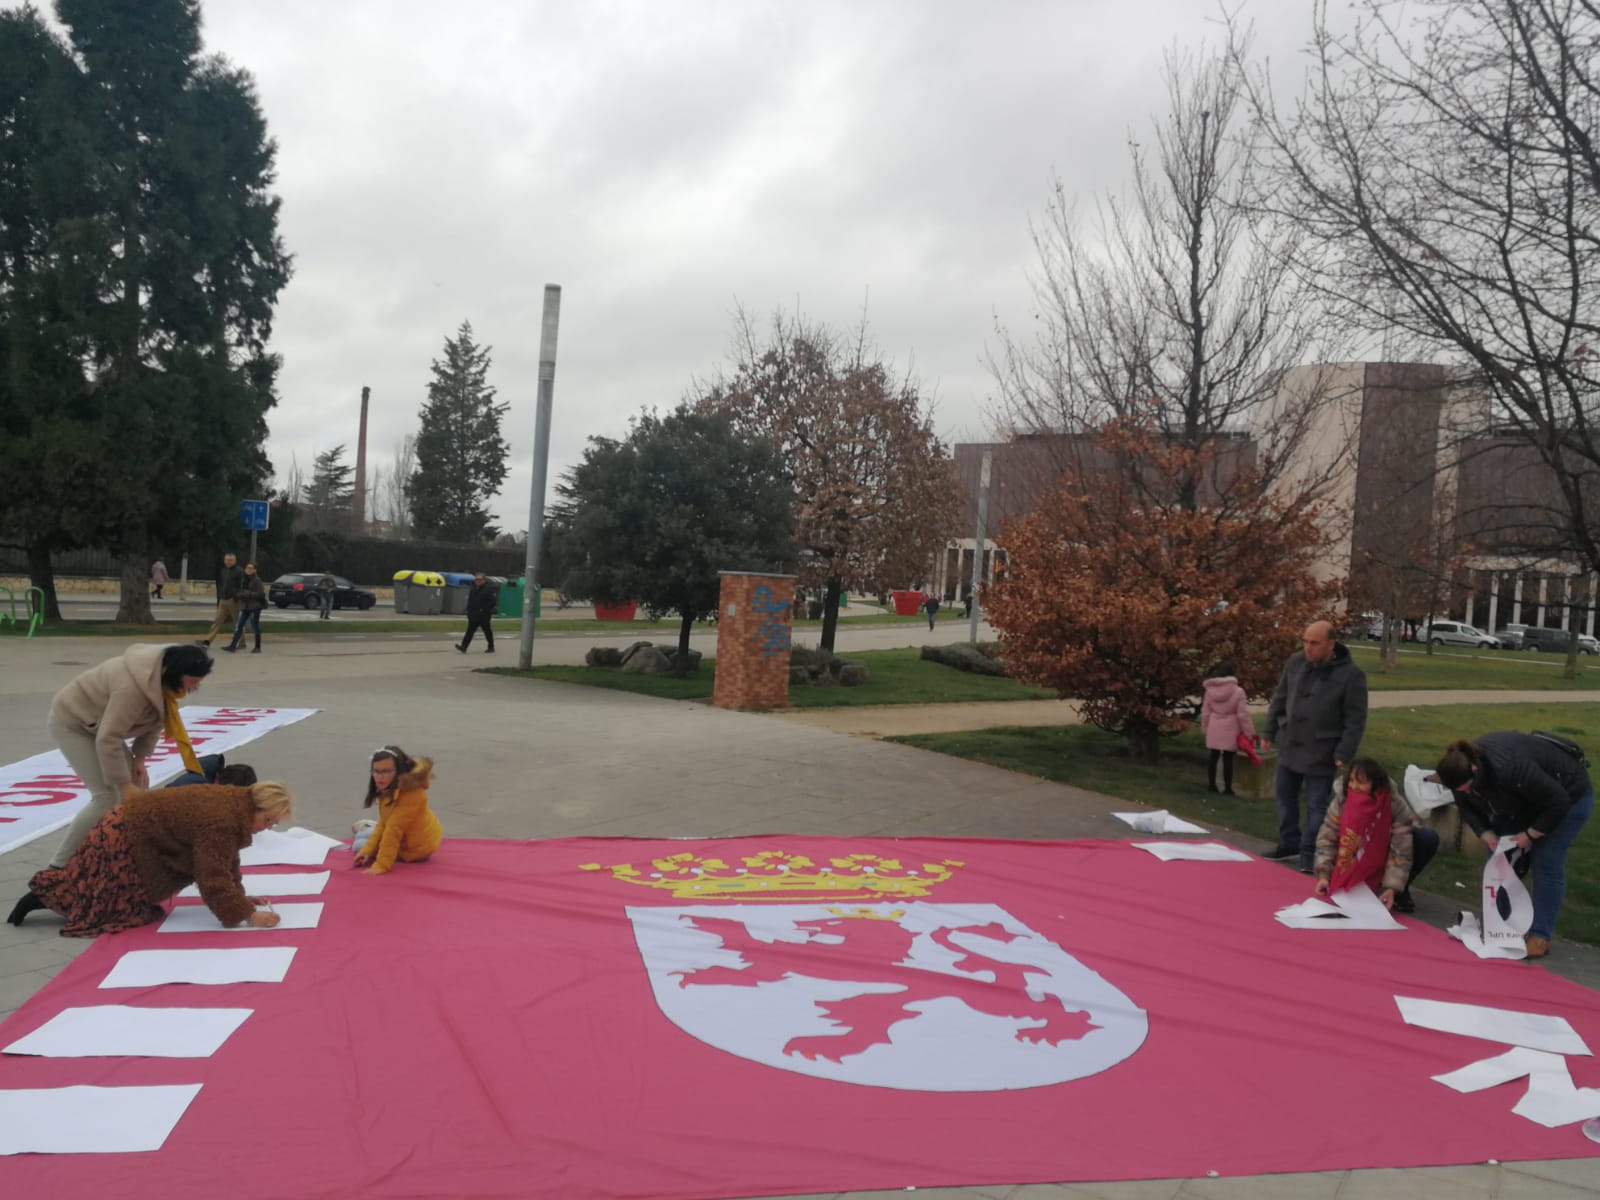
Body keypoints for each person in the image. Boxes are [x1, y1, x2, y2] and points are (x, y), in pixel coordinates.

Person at [8, 780, 293, 936]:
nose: (267, 827)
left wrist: (241, 899)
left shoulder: (235, 804)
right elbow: (212, 874)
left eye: (274, 823)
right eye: (268, 820)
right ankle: (42, 895)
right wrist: (245, 914)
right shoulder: (223, 820)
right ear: (256, 806)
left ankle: (49, 892)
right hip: (125, 837)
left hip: (130, 828)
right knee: (108, 907)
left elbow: (225, 859)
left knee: (107, 895)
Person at [43, 643, 213, 869]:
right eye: (192, 680)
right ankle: (58, 867)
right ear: (174, 673)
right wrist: (124, 786)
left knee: (138, 787)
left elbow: (157, 719)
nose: (195, 686)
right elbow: (109, 738)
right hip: (73, 723)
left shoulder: (162, 680)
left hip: (98, 724)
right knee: (107, 796)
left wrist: (139, 759)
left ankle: (117, 853)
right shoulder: (132, 689)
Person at [1436, 732, 1593, 959]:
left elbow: (1558, 801)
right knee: (1498, 857)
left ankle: (1541, 935)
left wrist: (1530, 834)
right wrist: (1486, 833)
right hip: (1519, 802)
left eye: (1467, 787)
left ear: (1474, 771)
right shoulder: (1456, 772)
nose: (1465, 792)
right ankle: (1501, 923)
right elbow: (1466, 806)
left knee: (1546, 860)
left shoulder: (1510, 768)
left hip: (1569, 797)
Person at [1261, 620, 1369, 873]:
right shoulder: (1295, 663)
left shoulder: (1352, 675)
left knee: (1316, 805)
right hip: (1290, 742)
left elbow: (1355, 719)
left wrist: (1344, 752)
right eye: (1305, 642)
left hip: (1322, 750)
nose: (1308, 648)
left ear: (1331, 644)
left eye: (1315, 643)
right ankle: (1289, 842)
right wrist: (1269, 731)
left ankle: (1310, 851)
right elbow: (1280, 698)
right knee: (1284, 796)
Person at [1312, 757, 1437, 914]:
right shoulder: (1342, 800)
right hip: (1348, 859)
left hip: (1381, 858)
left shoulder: (1394, 804)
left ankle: (1397, 892)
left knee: (1425, 838)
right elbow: (1327, 838)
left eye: (1361, 782)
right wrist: (1324, 874)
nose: (1354, 786)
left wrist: (1392, 887)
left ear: (1375, 783)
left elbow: (1400, 849)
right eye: (1351, 781)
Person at [353, 746, 443, 875]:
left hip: (417, 849)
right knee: (362, 839)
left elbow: (393, 832)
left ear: (398, 771)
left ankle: (367, 828)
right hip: (403, 834)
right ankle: (367, 828)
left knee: (358, 844)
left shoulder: (412, 795)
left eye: (386, 771)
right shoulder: (390, 787)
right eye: (376, 772)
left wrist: (380, 866)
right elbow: (385, 822)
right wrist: (367, 851)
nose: (379, 777)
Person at [1200, 660, 1254, 796]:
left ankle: (1212, 785)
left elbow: (1205, 712)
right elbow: (1243, 715)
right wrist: (1249, 732)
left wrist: (1205, 728)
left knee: (1213, 756)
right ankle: (1228, 788)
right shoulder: (1238, 691)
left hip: (1214, 724)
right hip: (1230, 726)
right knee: (1228, 758)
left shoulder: (1209, 691)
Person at [223, 561, 267, 654]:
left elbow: (261, 594)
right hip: (245, 606)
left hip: (255, 607)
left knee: (255, 626)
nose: (249, 570)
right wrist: (239, 595)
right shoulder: (244, 579)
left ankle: (257, 647)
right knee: (239, 626)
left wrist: (249, 594)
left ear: (255, 570)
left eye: (251, 568)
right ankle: (233, 646)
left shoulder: (257, 580)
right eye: (247, 568)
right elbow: (241, 591)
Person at [201, 552, 244, 646]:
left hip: (233, 600)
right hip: (223, 599)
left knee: (237, 622)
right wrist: (220, 596)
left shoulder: (239, 571)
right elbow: (221, 585)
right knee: (217, 621)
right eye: (227, 560)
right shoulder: (223, 571)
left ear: (235, 561)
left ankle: (241, 641)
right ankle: (208, 640)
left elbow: (241, 585)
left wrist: (236, 596)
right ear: (224, 561)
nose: (229, 562)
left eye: (231, 560)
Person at [456, 571, 498, 654]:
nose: (478, 581)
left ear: (484, 580)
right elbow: (471, 601)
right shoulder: (474, 589)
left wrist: (484, 609)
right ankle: (463, 647)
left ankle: (491, 646)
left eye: (480, 580)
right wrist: (469, 610)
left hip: (483, 616)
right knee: (469, 632)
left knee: (487, 632)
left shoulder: (488, 589)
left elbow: (493, 602)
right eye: (476, 580)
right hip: (474, 615)